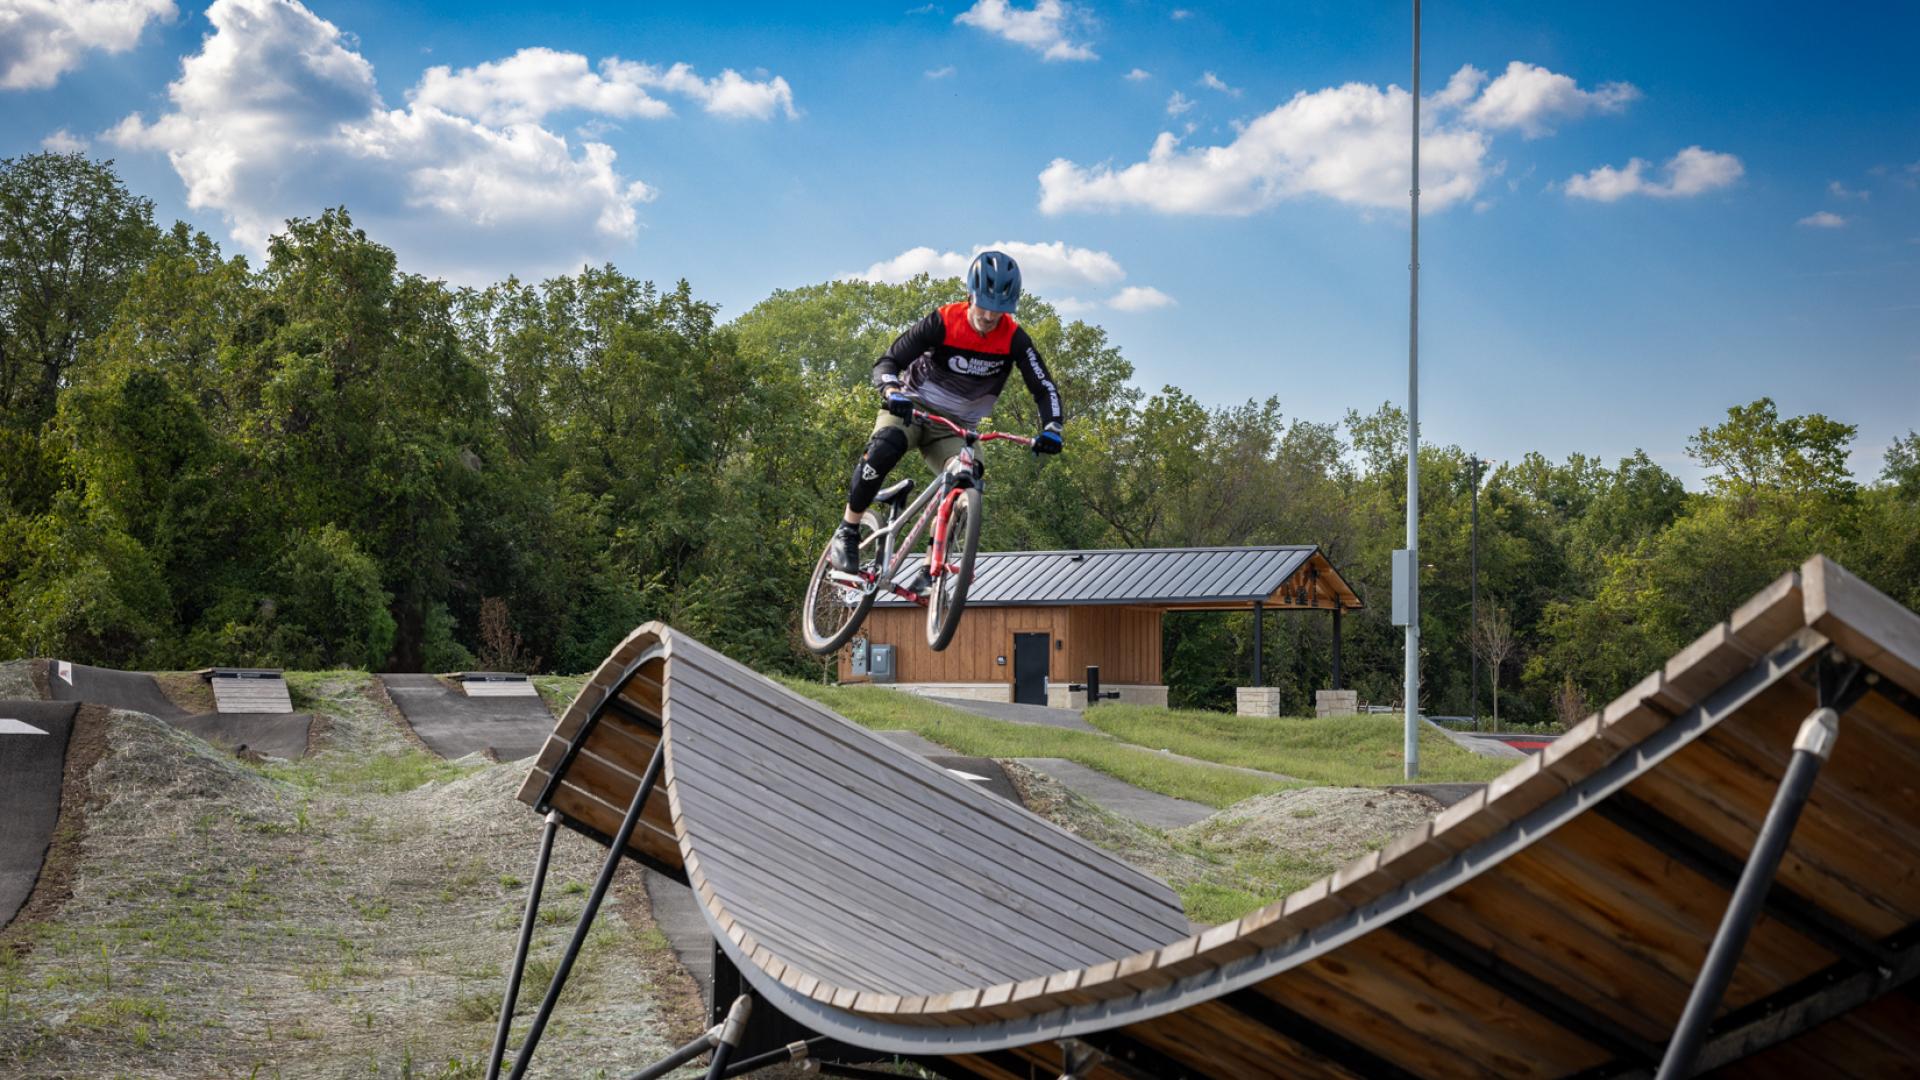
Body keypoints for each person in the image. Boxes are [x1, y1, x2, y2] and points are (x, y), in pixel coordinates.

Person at [829, 250, 1064, 573]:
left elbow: (1044, 387)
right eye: (985, 305)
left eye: (1000, 310)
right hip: (912, 408)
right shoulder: (943, 321)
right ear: (970, 295)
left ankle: (931, 569)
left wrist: (1053, 426)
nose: (991, 316)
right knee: (885, 447)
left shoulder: (1013, 339)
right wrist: (892, 390)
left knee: (969, 476)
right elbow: (888, 362)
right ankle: (848, 528)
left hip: (956, 426)